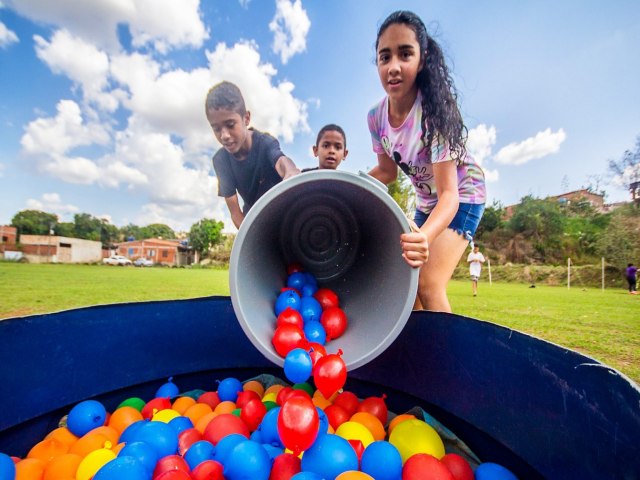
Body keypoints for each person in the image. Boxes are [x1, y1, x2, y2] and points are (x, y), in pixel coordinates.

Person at [367, 10, 486, 312]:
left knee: (428, 283)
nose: (393, 66)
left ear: (422, 60)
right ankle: (420, 354)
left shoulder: (434, 115)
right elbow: (386, 171)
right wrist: (346, 186)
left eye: (405, 54)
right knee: (408, 283)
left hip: (463, 196)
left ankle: (443, 359)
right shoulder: (376, 118)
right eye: (385, 56)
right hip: (426, 203)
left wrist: (423, 237)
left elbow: (449, 194)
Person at [206, 81, 300, 229]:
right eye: (217, 129)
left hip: (284, 214)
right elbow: (235, 213)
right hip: (254, 219)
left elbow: (281, 161)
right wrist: (252, 235)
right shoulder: (221, 161)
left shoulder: (265, 143)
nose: (224, 135)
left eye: (230, 125)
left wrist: (291, 171)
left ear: (246, 118)